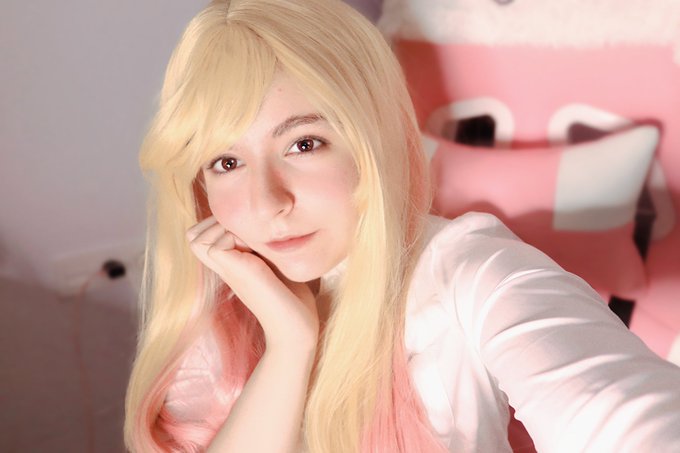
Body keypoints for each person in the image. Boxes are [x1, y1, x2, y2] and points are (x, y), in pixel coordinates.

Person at [123, 0, 680, 452]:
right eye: (226, 162)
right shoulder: (225, 296)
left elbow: (621, 417)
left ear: (373, 138)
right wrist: (289, 344)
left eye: (304, 143)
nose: (267, 204)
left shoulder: (469, 271)